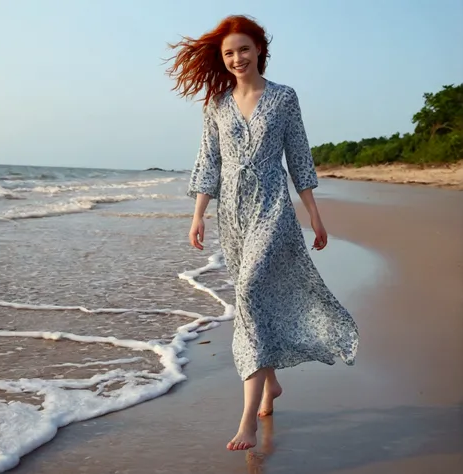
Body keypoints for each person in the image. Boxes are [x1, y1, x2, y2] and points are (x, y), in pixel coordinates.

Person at [166, 14, 359, 451]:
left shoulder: (284, 98)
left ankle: (247, 420)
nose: (237, 58)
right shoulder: (215, 104)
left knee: (251, 295)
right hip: (231, 214)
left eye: (244, 49)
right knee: (254, 302)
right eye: (229, 52)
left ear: (259, 50)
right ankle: (268, 383)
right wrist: (197, 215)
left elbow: (300, 158)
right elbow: (208, 162)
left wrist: (314, 213)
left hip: (272, 207)